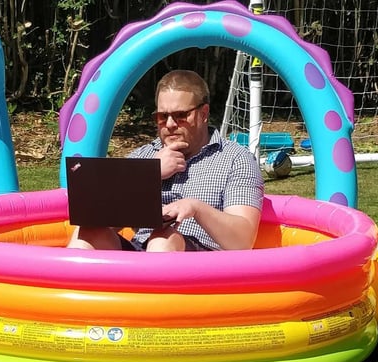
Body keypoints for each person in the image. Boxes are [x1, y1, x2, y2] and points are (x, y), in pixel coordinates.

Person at [66, 70, 265, 252]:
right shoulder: (143, 157)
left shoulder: (235, 159)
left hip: (201, 267)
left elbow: (242, 241)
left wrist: (195, 208)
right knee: (87, 234)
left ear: (203, 114)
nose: (170, 124)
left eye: (180, 116)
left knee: (163, 239)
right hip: (139, 255)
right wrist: (148, 174)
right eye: (162, 117)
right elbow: (101, 221)